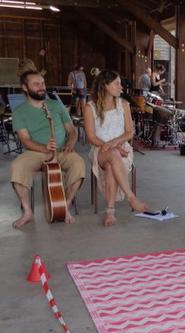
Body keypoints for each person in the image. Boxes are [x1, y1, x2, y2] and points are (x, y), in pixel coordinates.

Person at [10, 70, 85, 228]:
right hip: (35, 152)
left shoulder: (56, 105)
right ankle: (28, 212)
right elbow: (25, 140)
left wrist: (70, 144)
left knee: (78, 164)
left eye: (43, 83)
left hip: (62, 150)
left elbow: (72, 131)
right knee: (17, 166)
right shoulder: (19, 112)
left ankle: (64, 206)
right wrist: (44, 148)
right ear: (25, 87)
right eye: (36, 84)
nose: (41, 87)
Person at [83, 70, 148, 226]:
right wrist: (110, 147)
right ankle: (131, 197)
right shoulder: (90, 107)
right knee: (112, 154)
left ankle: (110, 213)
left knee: (111, 164)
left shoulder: (123, 105)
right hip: (99, 149)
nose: (121, 87)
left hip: (122, 148)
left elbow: (129, 132)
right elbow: (91, 137)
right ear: (105, 86)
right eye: (117, 83)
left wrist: (114, 144)